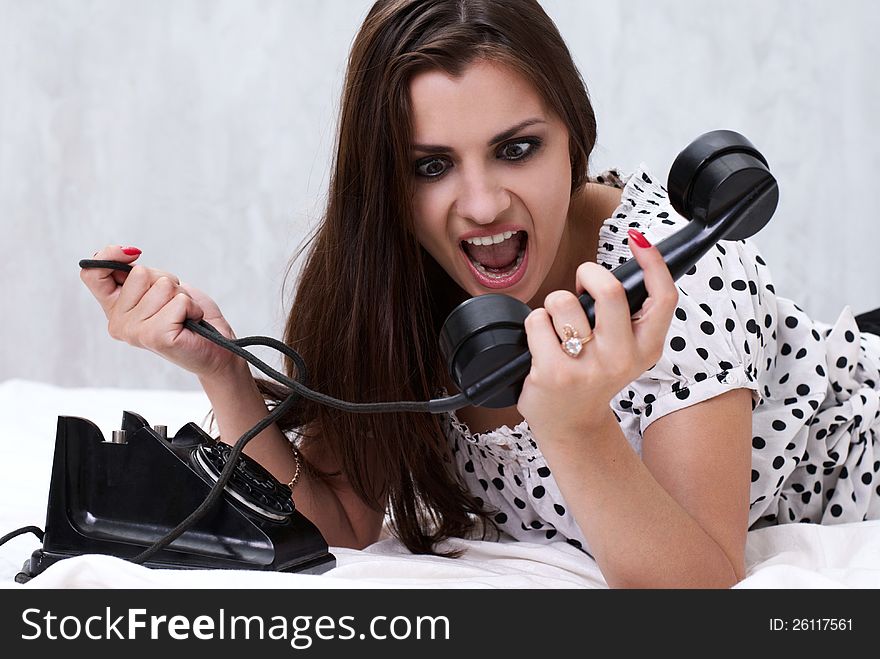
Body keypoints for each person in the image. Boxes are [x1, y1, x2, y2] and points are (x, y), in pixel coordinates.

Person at [80, 0, 880, 589]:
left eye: (517, 149)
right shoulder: (393, 289)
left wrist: (573, 426)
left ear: (575, 137)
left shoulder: (680, 275)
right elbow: (346, 522)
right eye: (431, 165)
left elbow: (699, 582)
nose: (485, 203)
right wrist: (220, 372)